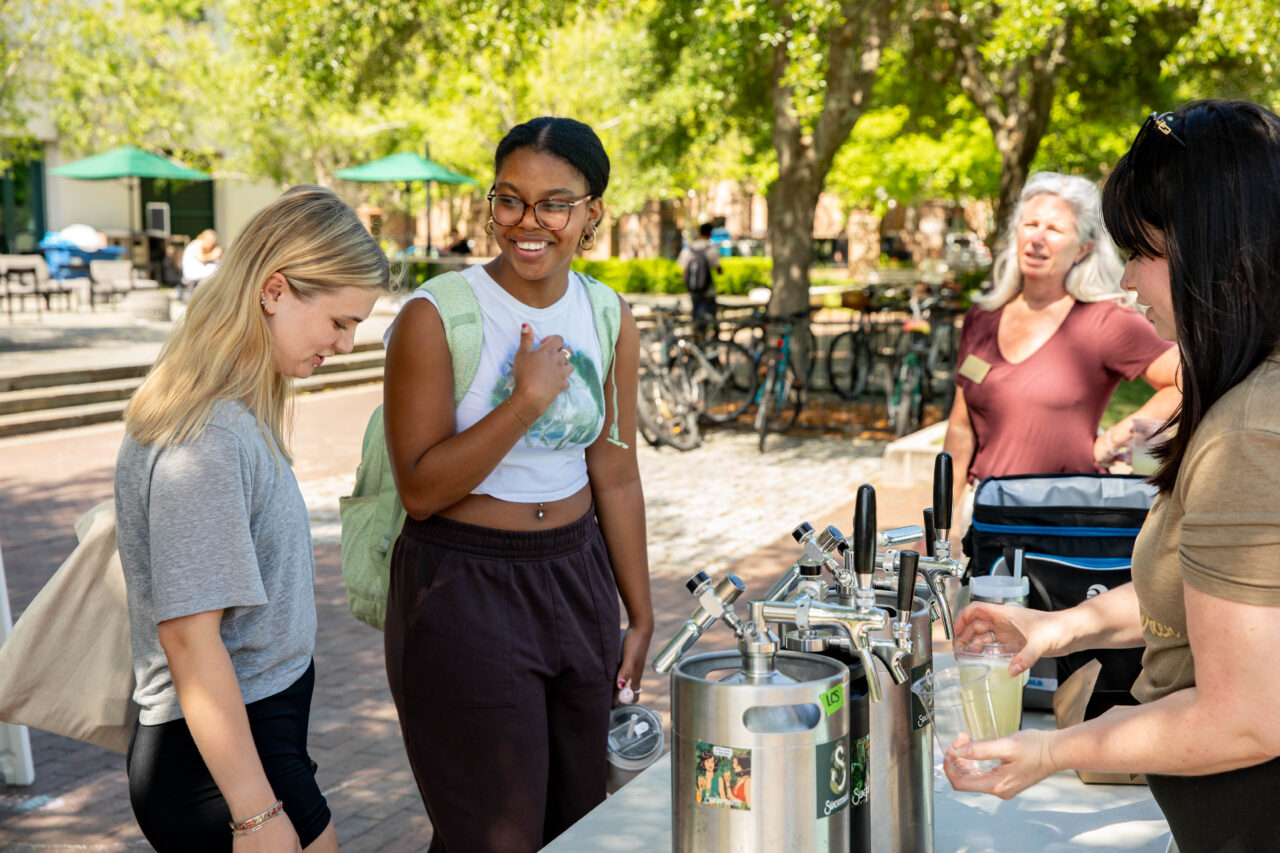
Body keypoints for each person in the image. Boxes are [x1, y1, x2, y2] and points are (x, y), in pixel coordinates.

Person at [946, 100, 1280, 852]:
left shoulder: (1251, 429)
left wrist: (1051, 750)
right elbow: (1213, 592)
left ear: (1215, 248)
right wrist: (1058, 627)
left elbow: (1246, 716)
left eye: (1144, 250)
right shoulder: (1248, 395)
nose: (1127, 279)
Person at [381, 116, 653, 852]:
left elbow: (616, 472)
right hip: (463, 583)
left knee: (578, 820)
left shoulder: (607, 314)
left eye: (555, 203)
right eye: (510, 200)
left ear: (592, 213)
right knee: (495, 831)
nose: (529, 223)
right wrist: (525, 402)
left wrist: (640, 611)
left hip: (576, 575)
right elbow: (420, 489)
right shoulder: (436, 316)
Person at [114, 186, 389, 852]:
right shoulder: (207, 434)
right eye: (340, 321)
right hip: (222, 756)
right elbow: (190, 638)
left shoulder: (232, 410)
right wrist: (257, 815)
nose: (347, 345)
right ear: (274, 290)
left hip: (250, 735)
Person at [942, 172, 1181, 530]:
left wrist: (1115, 438)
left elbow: (1185, 381)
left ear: (1083, 248)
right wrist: (941, 528)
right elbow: (960, 430)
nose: (1037, 238)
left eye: (1054, 229)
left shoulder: (1102, 321)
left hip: (1063, 520)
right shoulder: (983, 317)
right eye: (1030, 224)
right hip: (987, 513)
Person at [677, 222, 722, 337]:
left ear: (699, 232)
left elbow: (684, 271)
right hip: (708, 291)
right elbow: (718, 269)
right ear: (710, 234)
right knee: (711, 321)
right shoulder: (711, 249)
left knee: (696, 320)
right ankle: (712, 346)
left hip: (693, 291)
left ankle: (697, 342)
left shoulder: (689, 250)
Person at [180, 229, 222, 299]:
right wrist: (213, 255)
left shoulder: (197, 244)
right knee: (216, 269)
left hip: (194, 272)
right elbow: (201, 258)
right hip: (192, 273)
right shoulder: (198, 244)